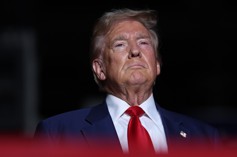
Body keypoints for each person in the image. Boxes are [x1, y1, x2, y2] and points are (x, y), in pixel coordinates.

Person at [34, 8, 220, 154]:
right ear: (100, 69)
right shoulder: (58, 133)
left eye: (143, 42)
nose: (135, 51)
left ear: (157, 65)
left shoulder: (203, 137)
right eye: (120, 44)